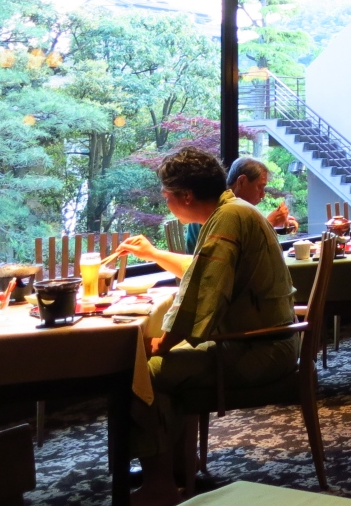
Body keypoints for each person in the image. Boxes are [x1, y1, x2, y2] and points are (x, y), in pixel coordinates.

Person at [117, 147, 296, 506]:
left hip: (262, 349)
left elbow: (205, 291)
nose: (166, 201)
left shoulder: (228, 218)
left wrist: (164, 342)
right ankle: (177, 467)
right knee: (163, 362)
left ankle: (159, 484)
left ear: (185, 195)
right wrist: (152, 254)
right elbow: (201, 270)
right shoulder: (232, 211)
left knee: (145, 373)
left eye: (167, 195)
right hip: (269, 341)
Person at [183, 157, 297, 254]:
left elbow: (244, 238)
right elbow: (232, 252)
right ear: (241, 181)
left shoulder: (239, 209)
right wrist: (270, 223)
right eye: (259, 187)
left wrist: (277, 225)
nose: (263, 194)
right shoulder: (216, 207)